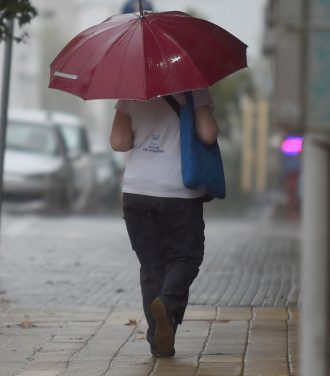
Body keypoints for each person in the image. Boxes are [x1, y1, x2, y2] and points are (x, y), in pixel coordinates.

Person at [109, 89, 219, 357]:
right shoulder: (193, 88)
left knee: (151, 266)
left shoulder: (131, 91)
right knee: (186, 257)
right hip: (179, 191)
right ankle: (167, 304)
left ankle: (158, 341)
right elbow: (208, 134)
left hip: (137, 192)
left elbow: (119, 142)